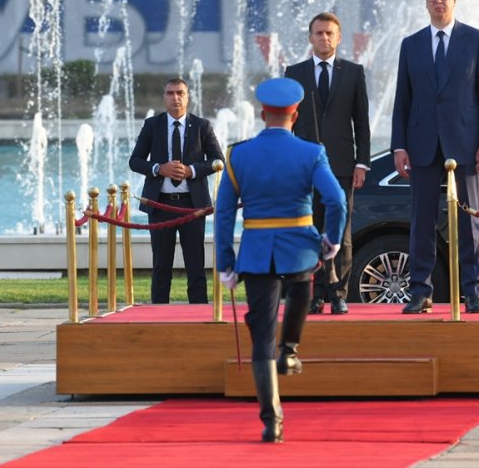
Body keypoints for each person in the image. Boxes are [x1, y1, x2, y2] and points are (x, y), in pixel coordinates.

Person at [215, 77, 346, 443]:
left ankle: (272, 421)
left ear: (261, 114)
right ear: (296, 114)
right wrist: (331, 240)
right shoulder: (312, 152)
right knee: (302, 289)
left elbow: (224, 213)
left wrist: (226, 261)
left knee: (260, 338)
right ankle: (289, 349)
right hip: (301, 248)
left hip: (256, 252)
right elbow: (336, 201)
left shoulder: (238, 155)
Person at [391, 0, 479, 314]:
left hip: (465, 143)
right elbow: (402, 100)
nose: (439, 1)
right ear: (425, 1)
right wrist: (399, 146)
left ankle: (473, 291)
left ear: (454, 0)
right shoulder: (411, 44)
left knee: (469, 220)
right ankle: (420, 291)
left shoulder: (476, 40)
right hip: (422, 143)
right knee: (421, 221)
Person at [284, 11, 371, 315]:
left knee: (341, 233)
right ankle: (315, 293)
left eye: (329, 33)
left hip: (343, 166)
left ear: (338, 37)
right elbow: (287, 122)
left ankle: (338, 293)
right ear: (310, 38)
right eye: (319, 33)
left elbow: (362, 123)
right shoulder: (294, 73)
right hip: (305, 166)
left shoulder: (354, 72)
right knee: (310, 230)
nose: (324, 38)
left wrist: (363, 163)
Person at [129, 77, 224, 304]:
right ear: (164, 98)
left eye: (180, 93)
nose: (175, 98)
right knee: (161, 265)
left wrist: (191, 170)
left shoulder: (202, 126)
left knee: (196, 265)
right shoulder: (153, 125)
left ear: (188, 97)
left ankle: (199, 313)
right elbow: (135, 161)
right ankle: (158, 314)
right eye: (170, 93)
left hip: (193, 206)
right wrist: (158, 168)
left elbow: (218, 160)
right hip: (160, 204)